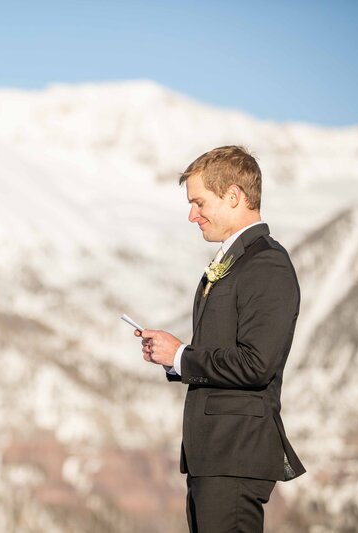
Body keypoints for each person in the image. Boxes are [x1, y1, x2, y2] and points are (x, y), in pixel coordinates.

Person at [135, 146, 305, 532]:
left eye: (199, 202)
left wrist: (182, 356)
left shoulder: (267, 264)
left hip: (235, 452)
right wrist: (173, 357)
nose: (192, 215)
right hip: (213, 456)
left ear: (233, 196)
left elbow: (256, 364)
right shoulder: (237, 261)